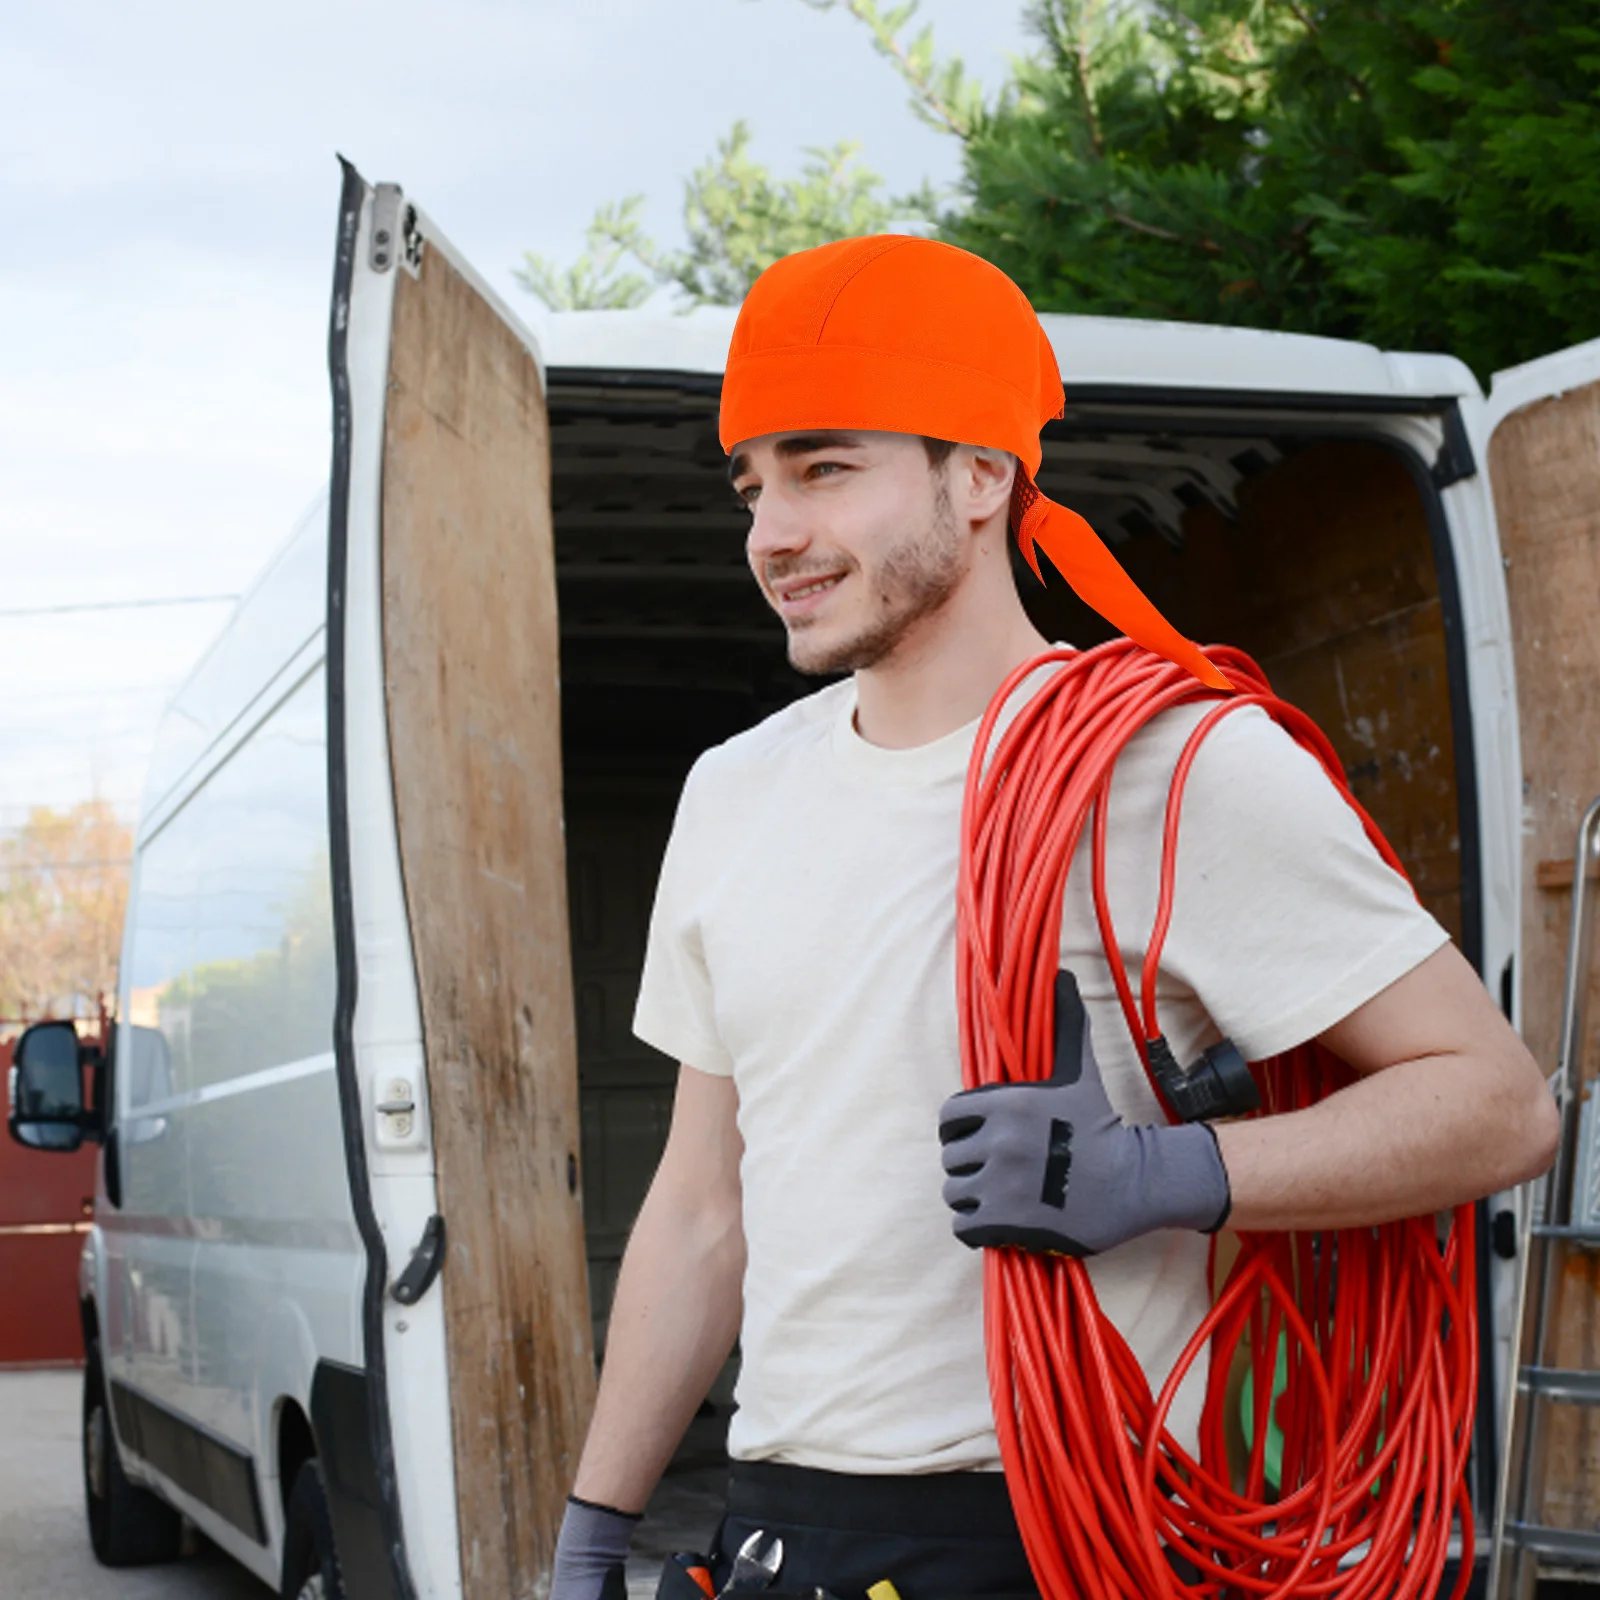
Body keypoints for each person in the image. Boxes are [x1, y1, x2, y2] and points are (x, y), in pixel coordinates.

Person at [549, 237, 1558, 1600]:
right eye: (753, 485)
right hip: (783, 1525)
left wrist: (1165, 1175)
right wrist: (596, 1530)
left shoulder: (1173, 765)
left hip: (1057, 1531)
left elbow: (1497, 1104)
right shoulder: (735, 794)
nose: (772, 533)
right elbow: (700, 1207)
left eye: (826, 468)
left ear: (981, 476)